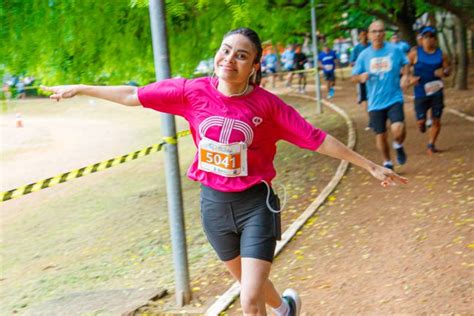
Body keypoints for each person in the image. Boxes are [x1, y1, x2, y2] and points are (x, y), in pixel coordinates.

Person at [42, 27, 407, 316]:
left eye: (241, 55)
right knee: (256, 288)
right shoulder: (190, 92)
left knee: (248, 301)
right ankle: (285, 309)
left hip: (255, 206)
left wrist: (370, 166)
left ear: (254, 66)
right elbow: (131, 96)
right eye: (226, 50)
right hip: (213, 208)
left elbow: (316, 138)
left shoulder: (268, 106)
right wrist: (80, 88)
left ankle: (277, 309)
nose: (229, 59)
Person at [352, 20, 411, 170]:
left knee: (398, 129)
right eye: (374, 32)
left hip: (394, 97)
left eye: (380, 31)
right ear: (369, 35)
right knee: (381, 135)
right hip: (375, 102)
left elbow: (406, 63)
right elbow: (354, 76)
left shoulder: (394, 50)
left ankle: (398, 144)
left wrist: (405, 76)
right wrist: (360, 77)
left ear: (384, 34)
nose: (377, 34)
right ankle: (387, 162)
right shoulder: (364, 55)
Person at [407, 26, 451, 155]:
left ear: (435, 39)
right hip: (421, 92)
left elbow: (448, 69)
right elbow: (404, 67)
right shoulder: (415, 53)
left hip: (437, 91)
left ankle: (431, 145)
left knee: (436, 119)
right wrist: (410, 78)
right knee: (421, 121)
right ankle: (421, 123)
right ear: (421, 39)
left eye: (431, 37)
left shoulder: (441, 54)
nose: (429, 40)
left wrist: (444, 72)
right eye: (426, 37)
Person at [350, 30, 371, 129]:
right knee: (364, 99)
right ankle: (370, 120)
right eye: (362, 35)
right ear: (359, 37)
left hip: (373, 76)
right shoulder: (357, 48)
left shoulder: (371, 46)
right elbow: (351, 62)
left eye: (365, 34)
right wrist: (359, 64)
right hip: (362, 77)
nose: (364, 37)